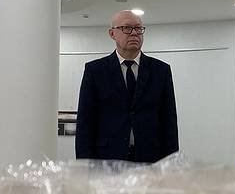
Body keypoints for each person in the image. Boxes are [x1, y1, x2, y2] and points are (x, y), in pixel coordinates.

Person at [75, 10, 178, 162]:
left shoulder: (160, 70)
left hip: (151, 157)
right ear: (112, 34)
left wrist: (172, 164)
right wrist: (84, 165)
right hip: (107, 158)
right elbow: (85, 122)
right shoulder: (95, 70)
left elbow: (169, 121)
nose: (134, 33)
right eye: (127, 28)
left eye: (138, 28)